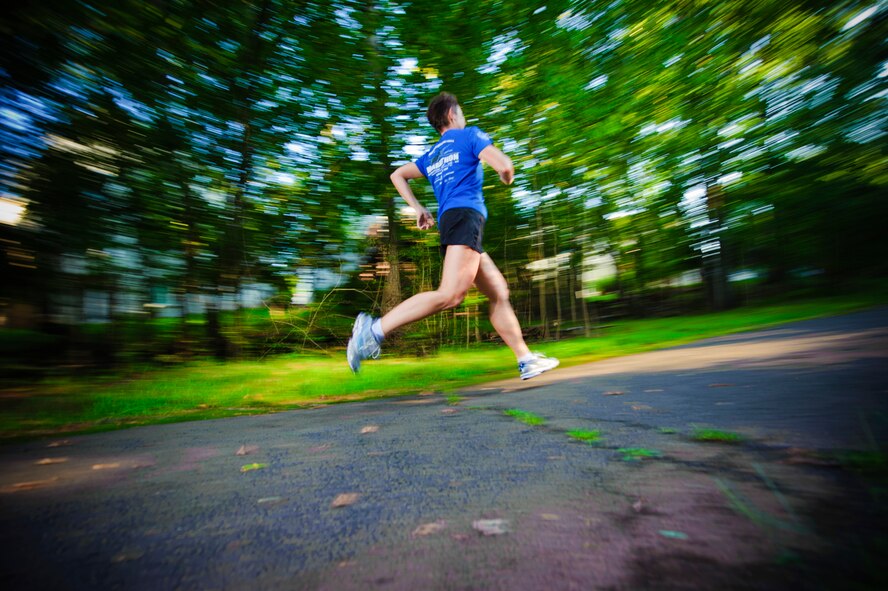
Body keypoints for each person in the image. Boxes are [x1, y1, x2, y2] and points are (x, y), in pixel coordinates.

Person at [347, 92, 559, 380]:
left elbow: (398, 175)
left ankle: (525, 358)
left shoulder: (433, 154)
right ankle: (372, 331)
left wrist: (419, 208)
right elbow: (505, 166)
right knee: (450, 295)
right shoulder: (469, 135)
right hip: (466, 218)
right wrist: (506, 177)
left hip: (453, 222)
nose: (463, 117)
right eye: (460, 111)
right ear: (451, 115)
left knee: (498, 291)